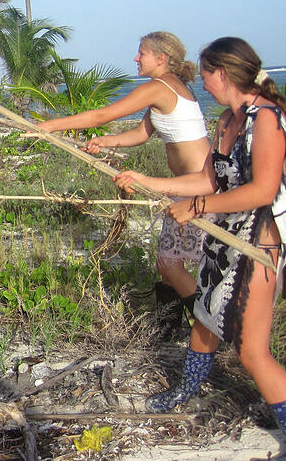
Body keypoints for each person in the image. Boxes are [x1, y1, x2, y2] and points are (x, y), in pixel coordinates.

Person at [113, 37, 286, 428]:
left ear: (221, 74)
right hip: (223, 237)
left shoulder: (267, 120)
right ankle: (184, 391)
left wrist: (197, 207)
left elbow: (264, 190)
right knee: (205, 317)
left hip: (258, 243)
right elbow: (208, 180)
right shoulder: (226, 120)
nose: (202, 83)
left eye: (206, 74)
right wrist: (148, 182)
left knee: (252, 353)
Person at [38, 32, 211, 316]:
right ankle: (170, 328)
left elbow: (102, 115)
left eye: (142, 53)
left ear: (161, 58)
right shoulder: (170, 86)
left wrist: (50, 126)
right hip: (184, 187)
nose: (136, 58)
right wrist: (105, 141)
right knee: (167, 266)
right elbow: (142, 133)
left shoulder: (158, 87)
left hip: (196, 187)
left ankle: (208, 324)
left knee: (169, 265)